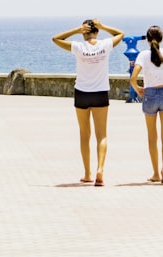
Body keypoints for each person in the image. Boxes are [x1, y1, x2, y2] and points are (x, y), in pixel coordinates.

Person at [52, 18, 125, 186]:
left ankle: (87, 173)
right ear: (97, 32)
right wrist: (104, 26)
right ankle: (100, 169)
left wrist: (76, 30)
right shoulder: (105, 45)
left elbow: (56, 39)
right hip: (100, 93)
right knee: (102, 135)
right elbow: (120, 34)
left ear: (84, 33)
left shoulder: (78, 47)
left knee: (85, 135)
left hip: (82, 93)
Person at [129, 25, 163, 184]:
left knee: (152, 138)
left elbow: (133, 78)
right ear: (161, 39)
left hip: (149, 95)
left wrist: (138, 90)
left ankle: (156, 173)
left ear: (147, 40)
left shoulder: (143, 55)